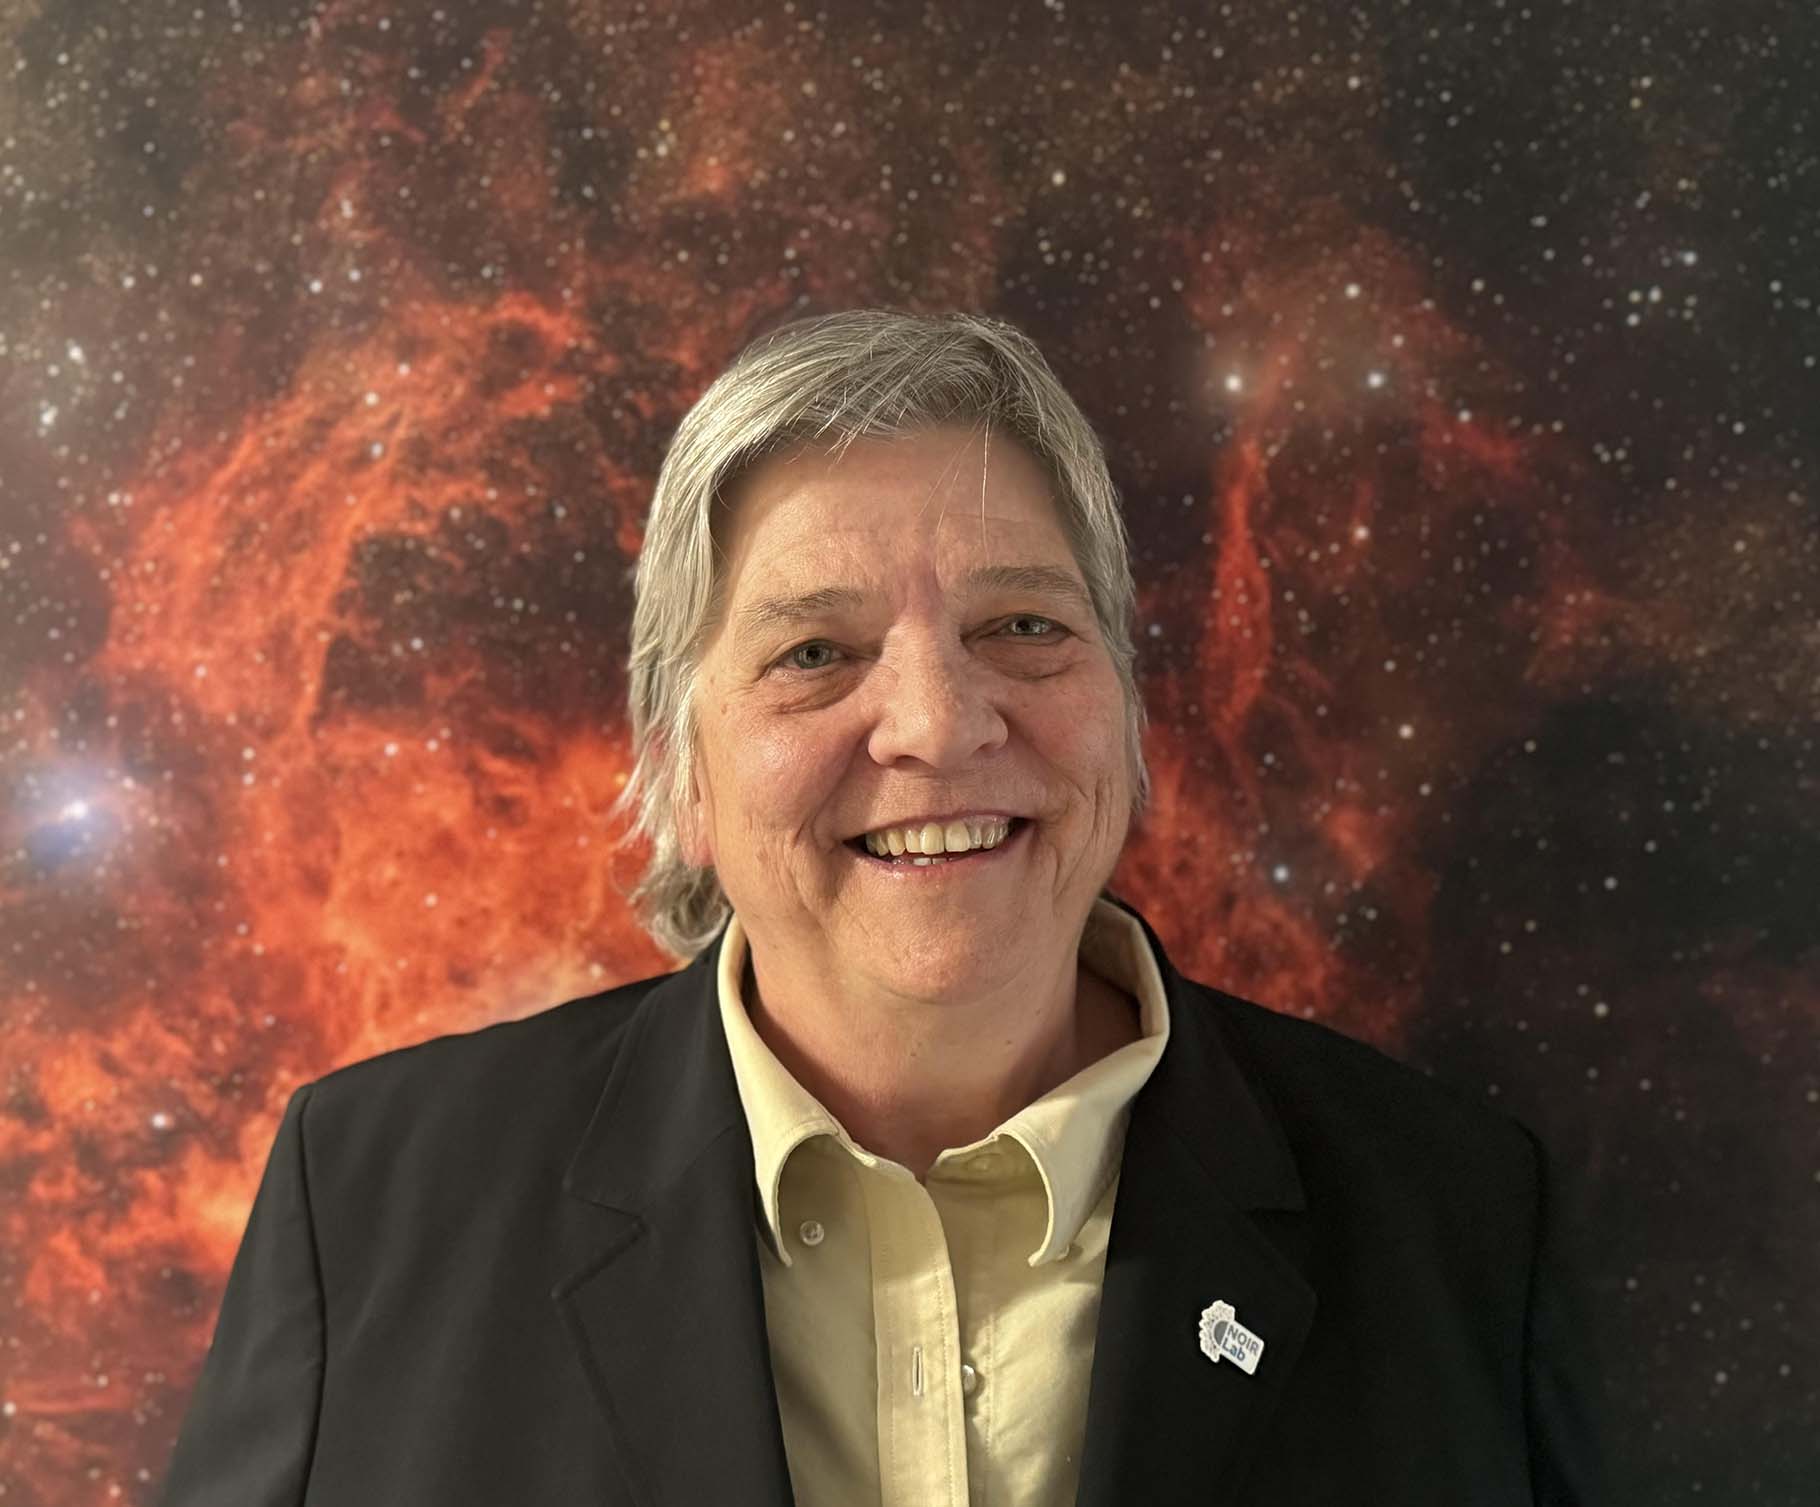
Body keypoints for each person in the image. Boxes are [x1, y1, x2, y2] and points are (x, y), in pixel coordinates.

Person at [155, 308, 1612, 1505]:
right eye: (813, 653)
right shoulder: (370, 1208)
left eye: (1023, 627)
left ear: (1123, 697)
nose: (937, 720)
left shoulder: (1460, 1216)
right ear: (683, 763)